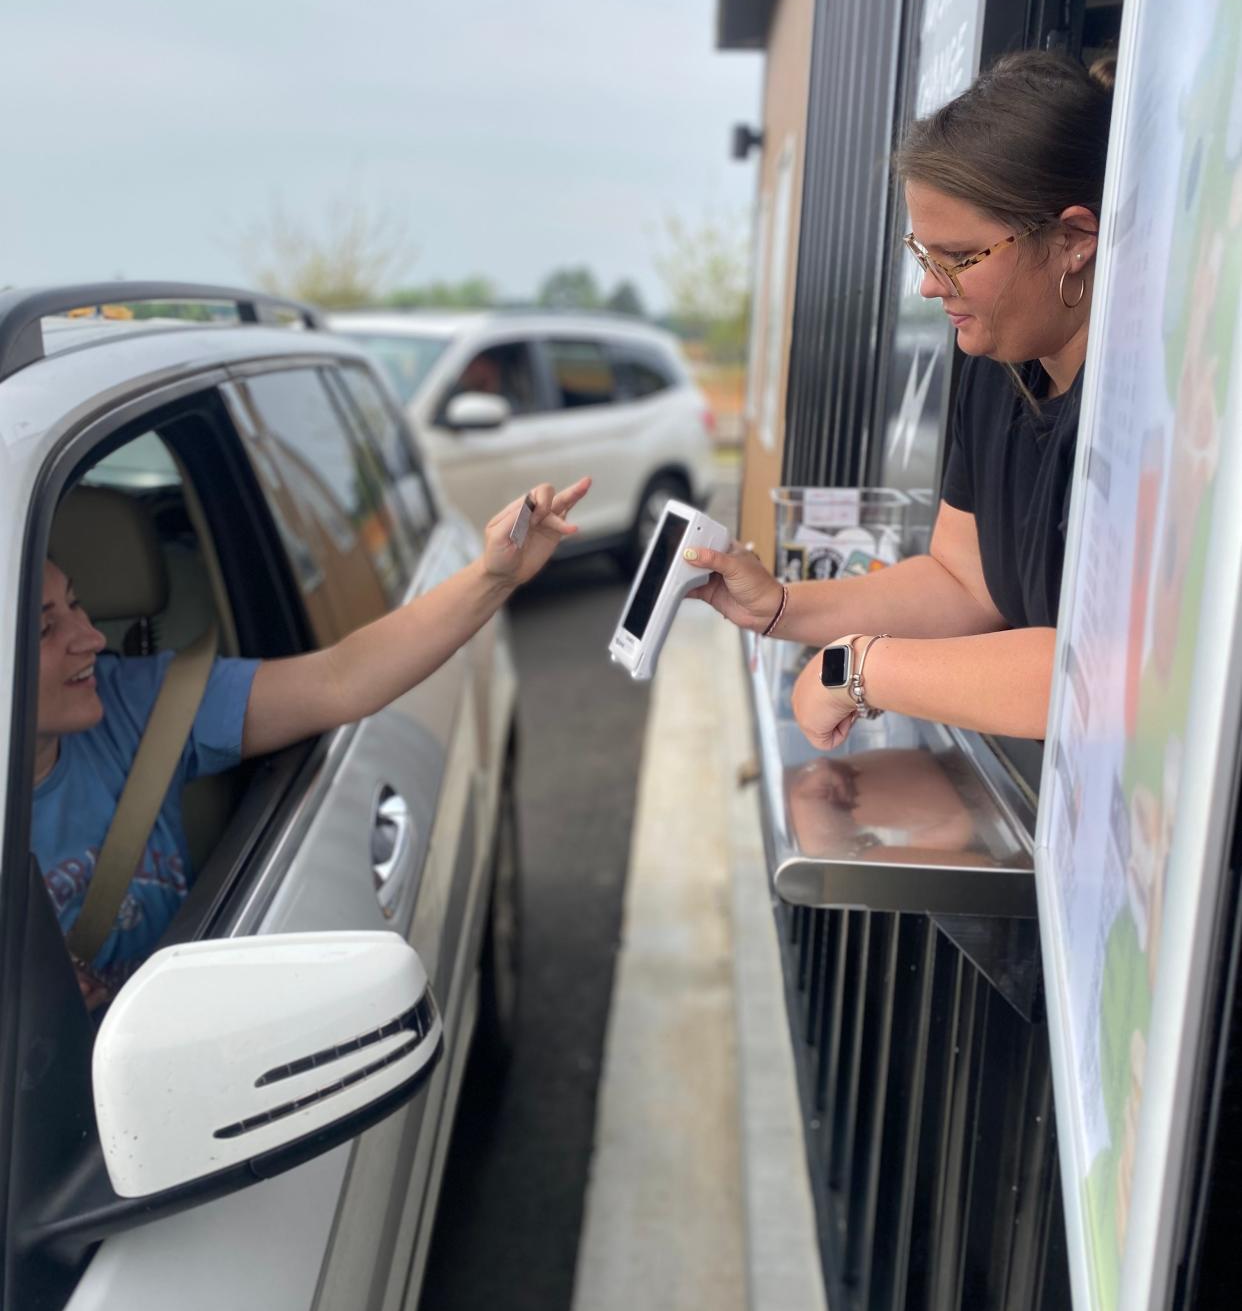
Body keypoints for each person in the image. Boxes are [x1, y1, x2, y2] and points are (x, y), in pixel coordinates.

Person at [685, 51, 1112, 750]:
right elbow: (961, 582)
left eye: (958, 257)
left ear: (1074, 239)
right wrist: (782, 605)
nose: (929, 286)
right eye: (922, 254)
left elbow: (1102, 673)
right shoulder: (998, 365)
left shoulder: (1152, 413)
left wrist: (859, 669)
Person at [35, 476, 591, 1007]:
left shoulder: (136, 702)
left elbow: (339, 680)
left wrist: (494, 577)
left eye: (76, 605)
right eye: (43, 629)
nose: (92, 639)